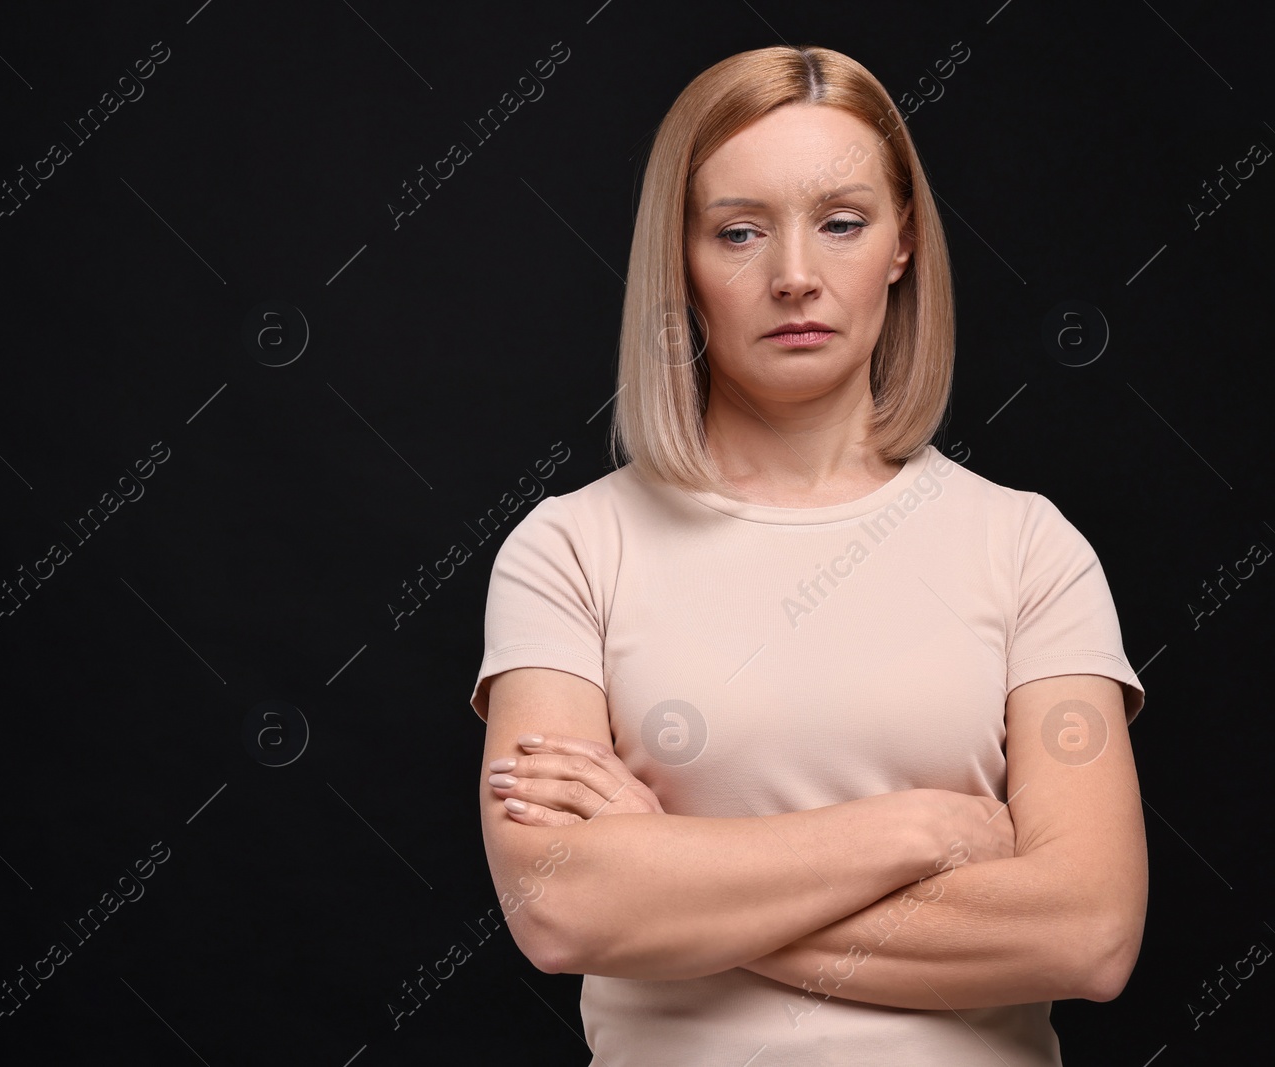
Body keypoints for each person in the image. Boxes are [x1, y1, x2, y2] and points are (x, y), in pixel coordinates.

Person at [468, 44, 1147, 1066]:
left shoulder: (1026, 547)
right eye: (738, 231)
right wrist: (919, 829)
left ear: (901, 245)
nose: (793, 275)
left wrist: (667, 880)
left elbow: (1086, 932)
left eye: (840, 222)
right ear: (681, 262)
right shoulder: (567, 549)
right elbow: (559, 905)